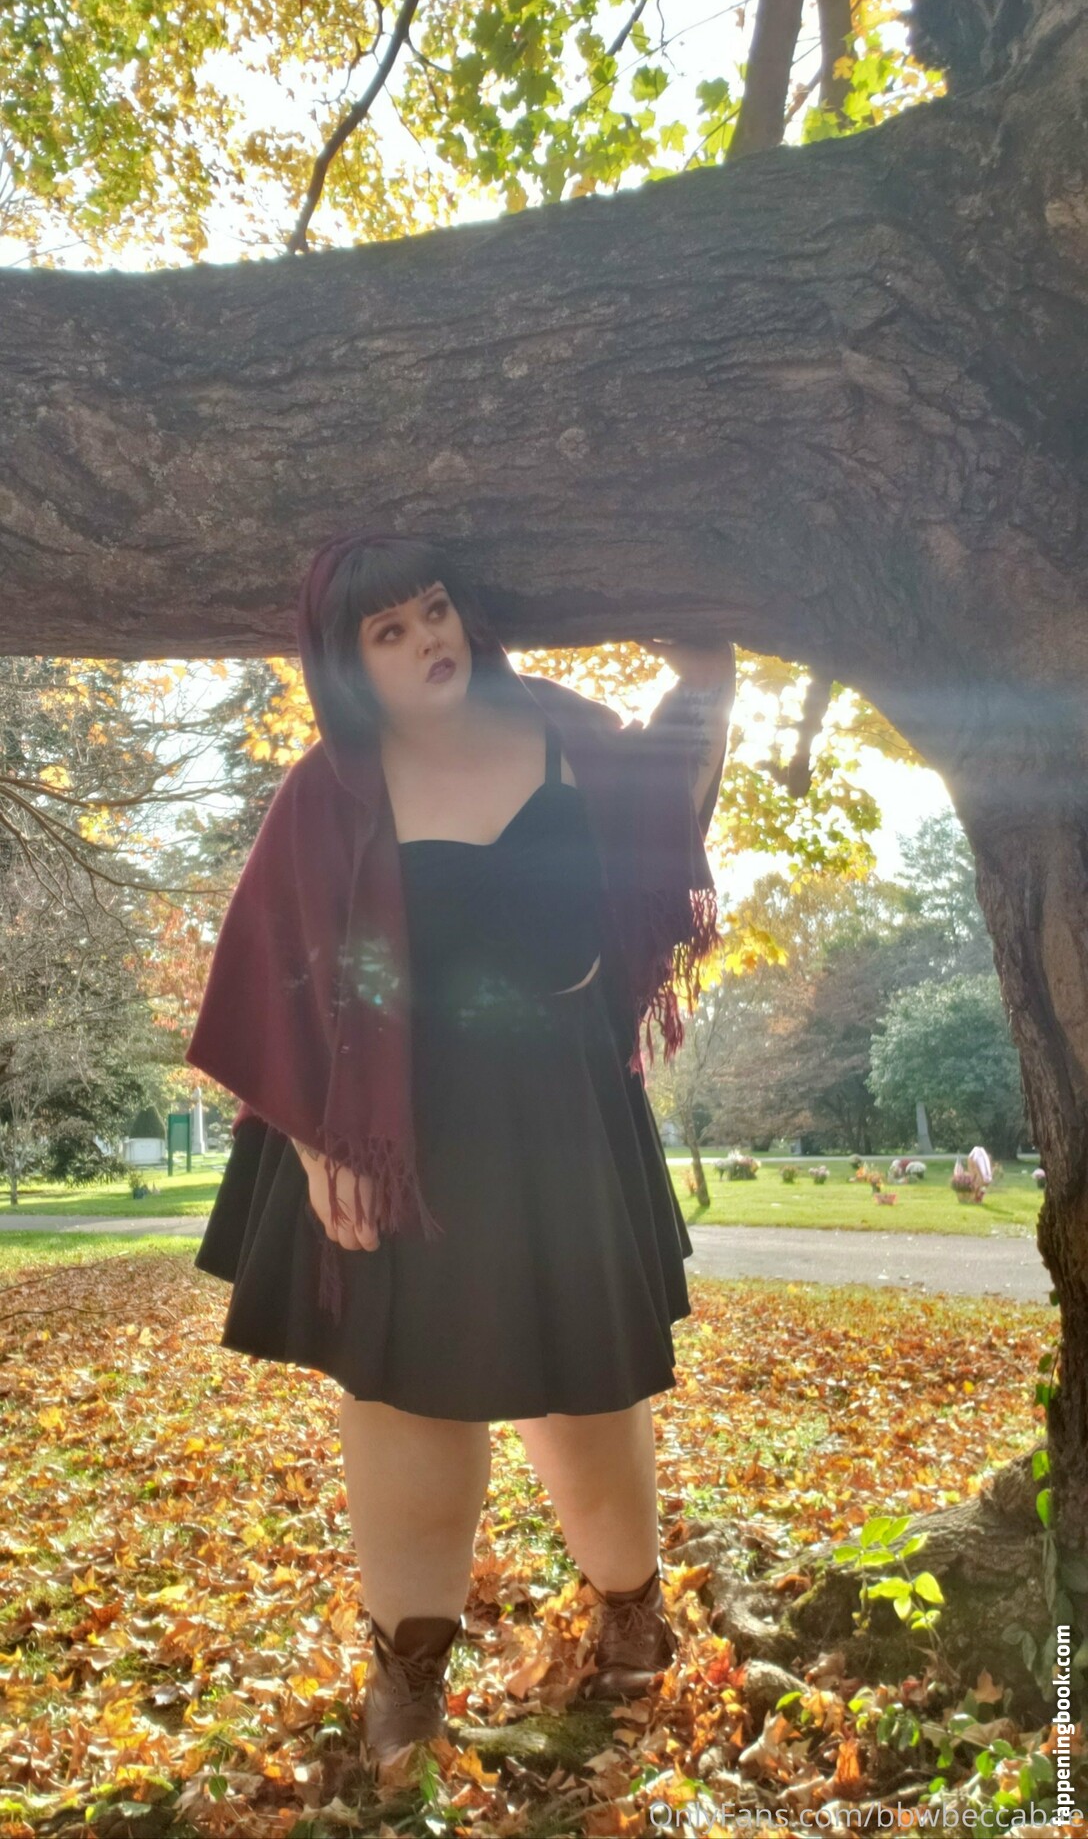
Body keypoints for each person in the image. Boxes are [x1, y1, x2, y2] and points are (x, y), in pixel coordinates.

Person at [185, 528, 735, 1767]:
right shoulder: (328, 791)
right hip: (398, 1134)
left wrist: (708, 687)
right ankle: (409, 1679)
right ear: (347, 665)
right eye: (387, 631)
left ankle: (630, 1619)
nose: (425, 639)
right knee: (407, 1404)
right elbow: (277, 978)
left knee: (589, 1394)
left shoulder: (560, 729)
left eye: (432, 609)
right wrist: (319, 1141)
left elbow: (663, 820)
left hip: (559, 1112)